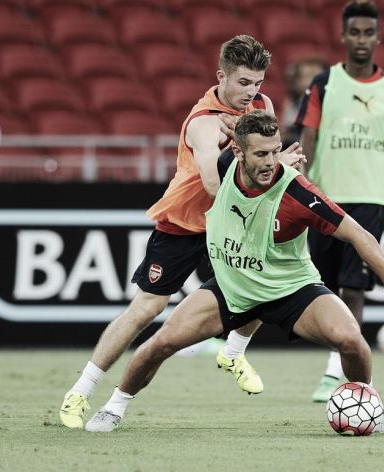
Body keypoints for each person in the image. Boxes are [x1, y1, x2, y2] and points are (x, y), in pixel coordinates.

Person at [84, 110, 384, 433]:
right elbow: (203, 130)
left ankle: (369, 407)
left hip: (292, 290)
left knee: (352, 341)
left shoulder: (297, 193)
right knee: (161, 343)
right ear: (236, 151)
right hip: (232, 288)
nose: (270, 163)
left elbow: (359, 234)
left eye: (275, 152)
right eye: (261, 154)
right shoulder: (217, 170)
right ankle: (114, 407)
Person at [59, 35, 305, 428]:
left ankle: (234, 350)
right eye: (243, 82)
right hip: (185, 222)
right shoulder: (203, 123)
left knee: (266, 273)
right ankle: (80, 392)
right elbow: (212, 185)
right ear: (221, 75)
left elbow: (266, 160)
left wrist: (281, 164)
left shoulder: (262, 106)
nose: (252, 92)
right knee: (146, 309)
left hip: (231, 219)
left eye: (258, 82)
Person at [294, 0, 384, 406]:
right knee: (323, 287)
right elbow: (308, 136)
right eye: (354, 32)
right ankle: (335, 362)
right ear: (343, 36)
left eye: (367, 32)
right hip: (326, 199)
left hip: (372, 198)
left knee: (355, 287)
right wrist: (303, 185)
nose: (361, 39)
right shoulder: (324, 83)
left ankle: (337, 374)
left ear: (378, 37)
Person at [281, 57, 327, 147]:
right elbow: (286, 130)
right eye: (307, 76)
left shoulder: (329, 103)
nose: (313, 80)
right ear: (297, 81)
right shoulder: (291, 103)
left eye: (317, 76)